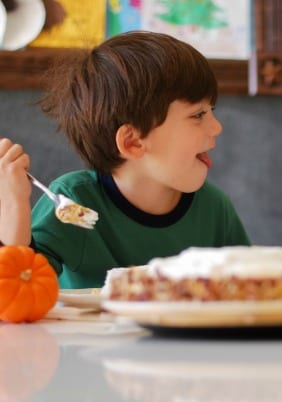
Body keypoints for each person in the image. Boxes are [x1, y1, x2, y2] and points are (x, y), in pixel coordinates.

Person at [0, 31, 250, 288]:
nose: (217, 127)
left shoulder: (214, 209)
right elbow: (15, 292)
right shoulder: (73, 203)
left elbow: (249, 291)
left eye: (212, 111)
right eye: (198, 115)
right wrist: (13, 205)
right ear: (132, 142)